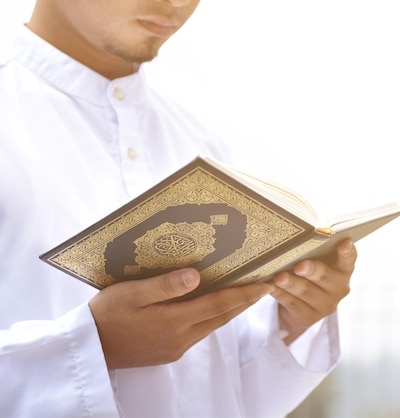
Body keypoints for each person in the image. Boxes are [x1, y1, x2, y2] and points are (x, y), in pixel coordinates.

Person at [0, 0, 357, 416]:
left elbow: (218, 391)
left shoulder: (201, 144)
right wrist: (91, 348)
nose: (176, 3)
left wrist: (294, 321)